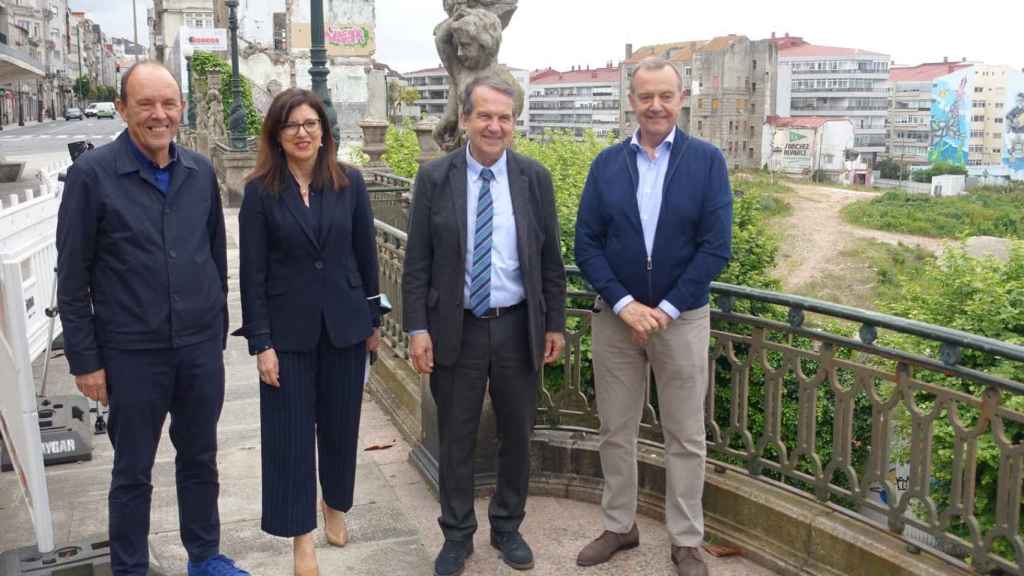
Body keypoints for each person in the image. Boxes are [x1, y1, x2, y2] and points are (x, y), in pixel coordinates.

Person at [56, 61, 248, 576]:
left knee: (200, 459)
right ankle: (130, 567)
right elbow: (72, 278)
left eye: (169, 104)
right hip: (131, 354)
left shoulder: (200, 172)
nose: (159, 114)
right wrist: (85, 362)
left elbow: (213, 255)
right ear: (123, 109)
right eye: (146, 104)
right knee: (132, 470)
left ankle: (205, 557)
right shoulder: (91, 176)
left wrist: (214, 328)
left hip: (197, 350)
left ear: (181, 109)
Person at [573, 57, 733, 576]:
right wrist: (623, 303)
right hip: (615, 320)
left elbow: (716, 249)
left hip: (681, 320)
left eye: (666, 96)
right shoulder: (606, 164)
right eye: (646, 96)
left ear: (681, 98)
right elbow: (586, 244)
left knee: (685, 435)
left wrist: (663, 309)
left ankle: (686, 541)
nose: (656, 106)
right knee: (615, 429)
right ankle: (620, 526)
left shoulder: (707, 161)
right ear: (632, 100)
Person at [402, 76, 567, 576]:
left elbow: (550, 261)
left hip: (518, 326)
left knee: (517, 432)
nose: (495, 125)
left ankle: (507, 526)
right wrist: (417, 328)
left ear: (514, 123)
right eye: (485, 115)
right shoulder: (436, 178)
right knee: (456, 433)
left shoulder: (534, 178)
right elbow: (417, 264)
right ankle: (456, 535)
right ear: (467, 119)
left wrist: (554, 324)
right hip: (458, 327)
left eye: (505, 117)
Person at [233, 88, 380, 576]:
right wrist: (261, 344)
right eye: (292, 125)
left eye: (311, 124)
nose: (303, 133)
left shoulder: (349, 183)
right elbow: (251, 275)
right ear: (277, 134)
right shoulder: (259, 191)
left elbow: (366, 257)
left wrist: (373, 322)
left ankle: (335, 504)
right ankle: (302, 539)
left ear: (325, 132)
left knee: (340, 428)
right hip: (287, 335)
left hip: (344, 327)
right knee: (290, 438)